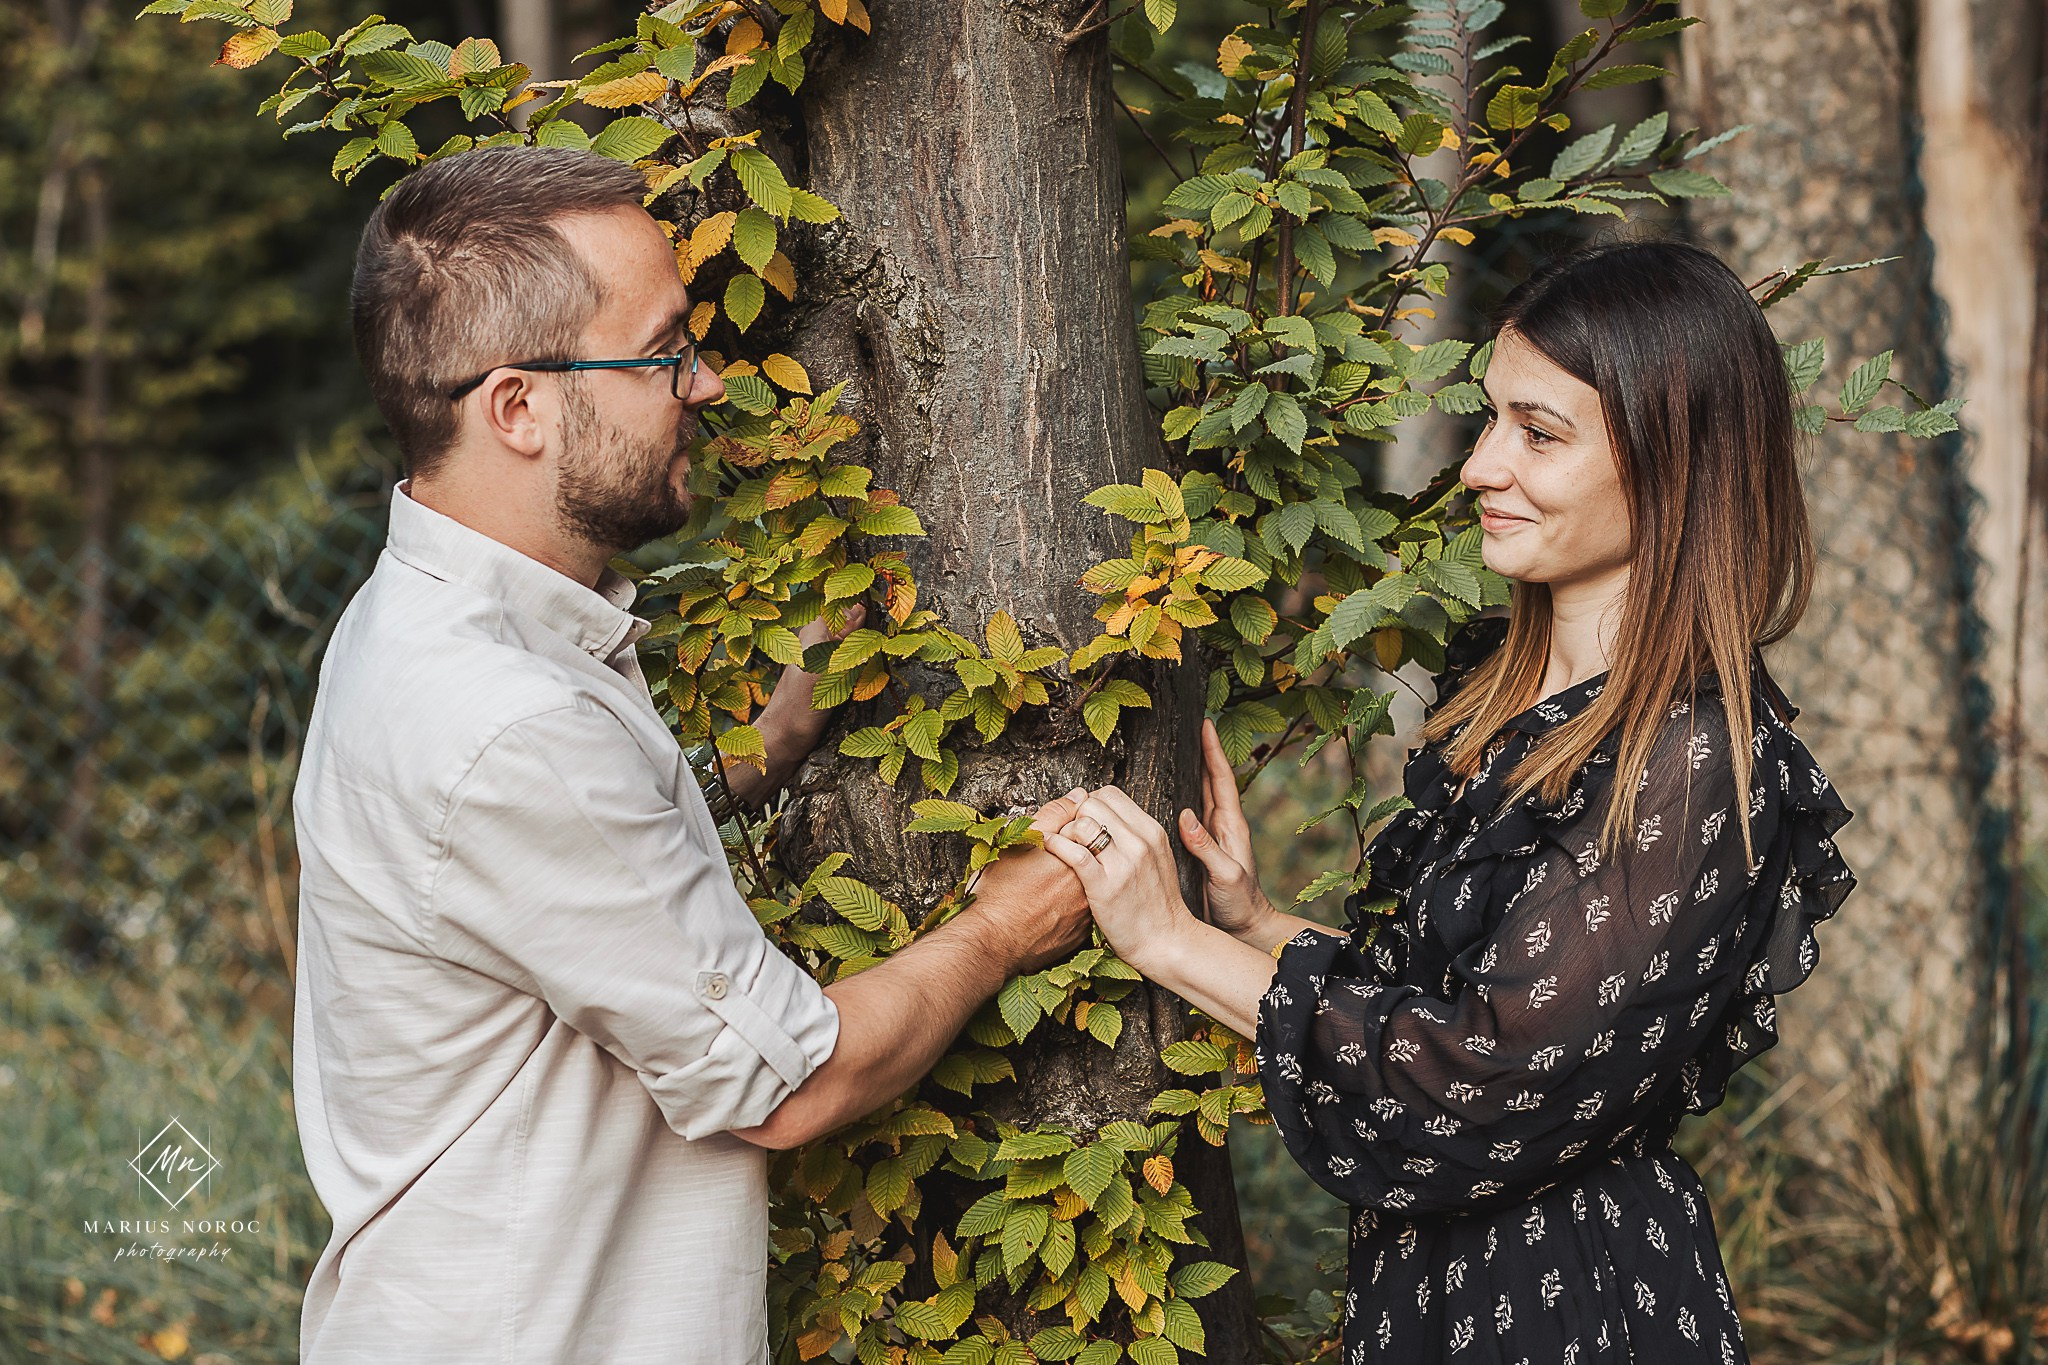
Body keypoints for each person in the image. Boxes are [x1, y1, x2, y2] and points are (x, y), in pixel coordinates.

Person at [291, 146, 1088, 1363]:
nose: (704, 385)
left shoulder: (434, 615)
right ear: (519, 407)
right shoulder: (507, 719)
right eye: (663, 352)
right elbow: (785, 1086)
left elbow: (574, 889)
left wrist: (775, 737)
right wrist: (1003, 928)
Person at [1045, 239, 1857, 1363]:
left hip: (1571, 1309)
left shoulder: (1693, 759)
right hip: (1440, 1297)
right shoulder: (1515, 705)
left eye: (1537, 433)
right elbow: (1456, 1004)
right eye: (1487, 422)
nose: (1478, 467)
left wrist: (1169, 944)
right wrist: (1255, 923)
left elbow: (1478, 1082)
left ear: (1675, 462)